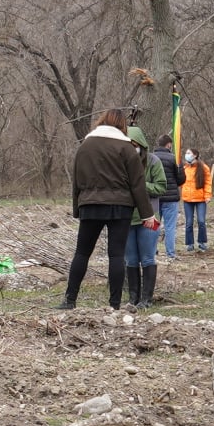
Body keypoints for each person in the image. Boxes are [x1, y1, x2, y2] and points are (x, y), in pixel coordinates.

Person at [59, 110, 159, 310]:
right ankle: (114, 305)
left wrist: (77, 208)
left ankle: (69, 300)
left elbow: (77, 180)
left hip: (90, 204)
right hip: (120, 207)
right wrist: (147, 214)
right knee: (116, 255)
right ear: (122, 125)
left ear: (101, 122)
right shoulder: (126, 148)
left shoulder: (85, 146)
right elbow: (137, 184)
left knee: (82, 253)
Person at [124, 126, 167, 309]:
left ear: (141, 145)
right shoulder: (120, 163)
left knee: (148, 258)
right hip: (126, 217)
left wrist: (141, 185)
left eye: (134, 145)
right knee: (131, 259)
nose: (132, 148)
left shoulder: (153, 162)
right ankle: (133, 298)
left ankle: (146, 299)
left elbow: (161, 187)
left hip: (149, 217)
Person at [179, 147, 213, 254]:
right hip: (187, 199)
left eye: (189, 153)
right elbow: (181, 182)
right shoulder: (184, 168)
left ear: (195, 155)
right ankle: (190, 244)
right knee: (189, 222)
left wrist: (207, 196)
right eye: (186, 153)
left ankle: (202, 242)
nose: (187, 155)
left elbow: (208, 183)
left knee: (201, 221)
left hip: (200, 199)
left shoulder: (203, 168)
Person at [152, 135, 181, 259]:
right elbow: (180, 179)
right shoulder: (173, 158)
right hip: (171, 198)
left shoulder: (151, 158)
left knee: (153, 225)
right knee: (170, 227)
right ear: (168, 144)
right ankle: (170, 253)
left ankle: (152, 250)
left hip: (155, 197)